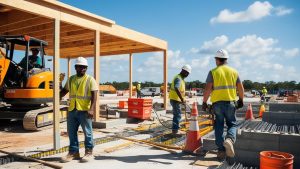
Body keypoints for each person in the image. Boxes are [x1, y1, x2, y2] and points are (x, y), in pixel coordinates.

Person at [202, 49, 244, 161]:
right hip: (230, 103)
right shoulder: (234, 72)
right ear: (226, 59)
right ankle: (229, 140)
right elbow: (240, 88)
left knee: (219, 126)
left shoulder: (213, 72)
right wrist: (241, 99)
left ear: (217, 59)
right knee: (232, 124)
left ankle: (221, 151)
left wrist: (204, 102)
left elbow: (207, 89)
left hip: (217, 105)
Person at [60, 57, 98, 163]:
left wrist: (92, 109)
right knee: (71, 132)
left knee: (88, 132)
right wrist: (56, 94)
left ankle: (89, 152)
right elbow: (64, 91)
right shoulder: (71, 79)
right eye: (80, 67)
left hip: (85, 110)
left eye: (84, 67)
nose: (82, 69)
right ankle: (73, 152)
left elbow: (94, 95)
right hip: (72, 109)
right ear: (75, 67)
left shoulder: (90, 79)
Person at [169, 64, 191, 135]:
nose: (187, 75)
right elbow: (176, 87)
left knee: (177, 114)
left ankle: (175, 129)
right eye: (187, 73)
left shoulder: (181, 78)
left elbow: (180, 89)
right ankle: (175, 131)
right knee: (177, 115)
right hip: (175, 99)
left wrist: (183, 97)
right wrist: (181, 98)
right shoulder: (178, 78)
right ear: (183, 71)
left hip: (176, 99)